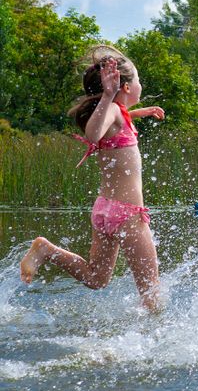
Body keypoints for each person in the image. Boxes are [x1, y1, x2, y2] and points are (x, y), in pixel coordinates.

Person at [20, 45, 165, 311]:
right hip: (128, 216)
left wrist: (137, 113)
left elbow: (111, 125)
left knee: (96, 278)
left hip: (105, 211)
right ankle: (155, 347)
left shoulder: (118, 114)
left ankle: (46, 249)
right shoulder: (109, 108)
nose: (141, 85)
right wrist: (108, 95)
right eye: (139, 80)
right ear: (127, 87)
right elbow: (93, 134)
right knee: (152, 295)